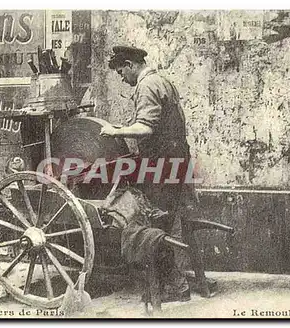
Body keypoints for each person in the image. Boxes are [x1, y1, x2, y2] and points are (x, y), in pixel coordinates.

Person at [100, 45, 193, 302]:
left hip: (162, 163)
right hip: (175, 158)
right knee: (165, 221)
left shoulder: (147, 85)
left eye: (121, 71)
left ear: (130, 65)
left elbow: (146, 128)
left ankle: (175, 286)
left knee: (155, 225)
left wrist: (115, 131)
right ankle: (174, 281)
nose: (122, 78)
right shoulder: (162, 80)